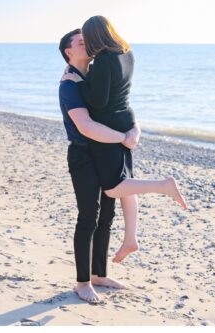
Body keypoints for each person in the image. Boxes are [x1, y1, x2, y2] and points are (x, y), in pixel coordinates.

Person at [63, 15, 188, 267]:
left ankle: (163, 186)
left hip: (110, 126)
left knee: (113, 186)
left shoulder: (101, 62)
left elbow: (98, 102)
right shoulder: (127, 53)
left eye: (88, 38)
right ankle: (131, 237)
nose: (87, 44)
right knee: (126, 184)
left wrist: (79, 82)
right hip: (127, 119)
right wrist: (132, 129)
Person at [58, 28, 139, 304]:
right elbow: (86, 125)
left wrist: (133, 130)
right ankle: (82, 283)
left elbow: (119, 106)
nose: (89, 44)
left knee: (107, 215)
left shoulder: (95, 75)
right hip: (83, 156)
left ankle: (99, 275)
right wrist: (123, 138)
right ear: (69, 52)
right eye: (82, 42)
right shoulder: (68, 84)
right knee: (88, 217)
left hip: (105, 152)